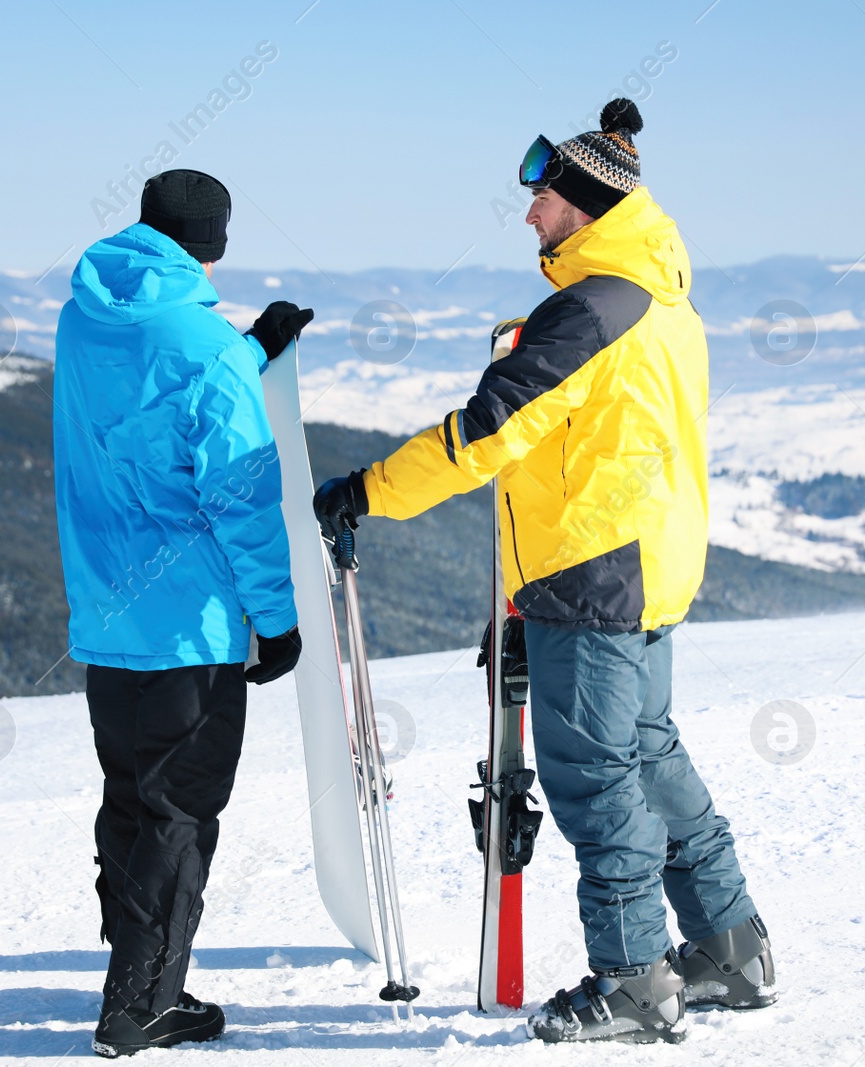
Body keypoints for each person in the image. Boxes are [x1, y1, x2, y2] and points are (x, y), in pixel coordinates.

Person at [314, 100, 776, 1044]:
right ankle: (731, 947)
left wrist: (366, 490)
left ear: (585, 204)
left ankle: (635, 979)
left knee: (596, 778)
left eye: (543, 197)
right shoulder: (659, 292)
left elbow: (483, 435)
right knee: (649, 755)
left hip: (594, 571)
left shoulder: (588, 311)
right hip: (646, 562)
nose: (528, 214)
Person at [52, 168, 314, 1057]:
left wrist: (247, 348)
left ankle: (139, 979)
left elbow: (148, 404)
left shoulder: (85, 316)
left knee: (130, 801)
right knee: (178, 811)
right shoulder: (201, 347)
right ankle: (139, 1008)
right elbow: (242, 497)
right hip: (188, 629)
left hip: (108, 619)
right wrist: (274, 620)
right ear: (216, 244)